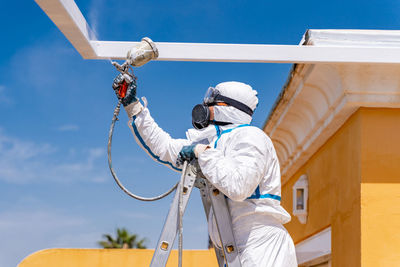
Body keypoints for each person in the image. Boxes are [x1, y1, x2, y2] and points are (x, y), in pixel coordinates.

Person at [112, 74, 298, 266]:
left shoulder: (251, 137)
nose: (205, 108)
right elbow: (165, 147)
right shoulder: (212, 143)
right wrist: (133, 106)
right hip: (235, 251)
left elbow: (239, 186)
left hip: (262, 249)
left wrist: (204, 153)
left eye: (212, 102)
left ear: (227, 108)